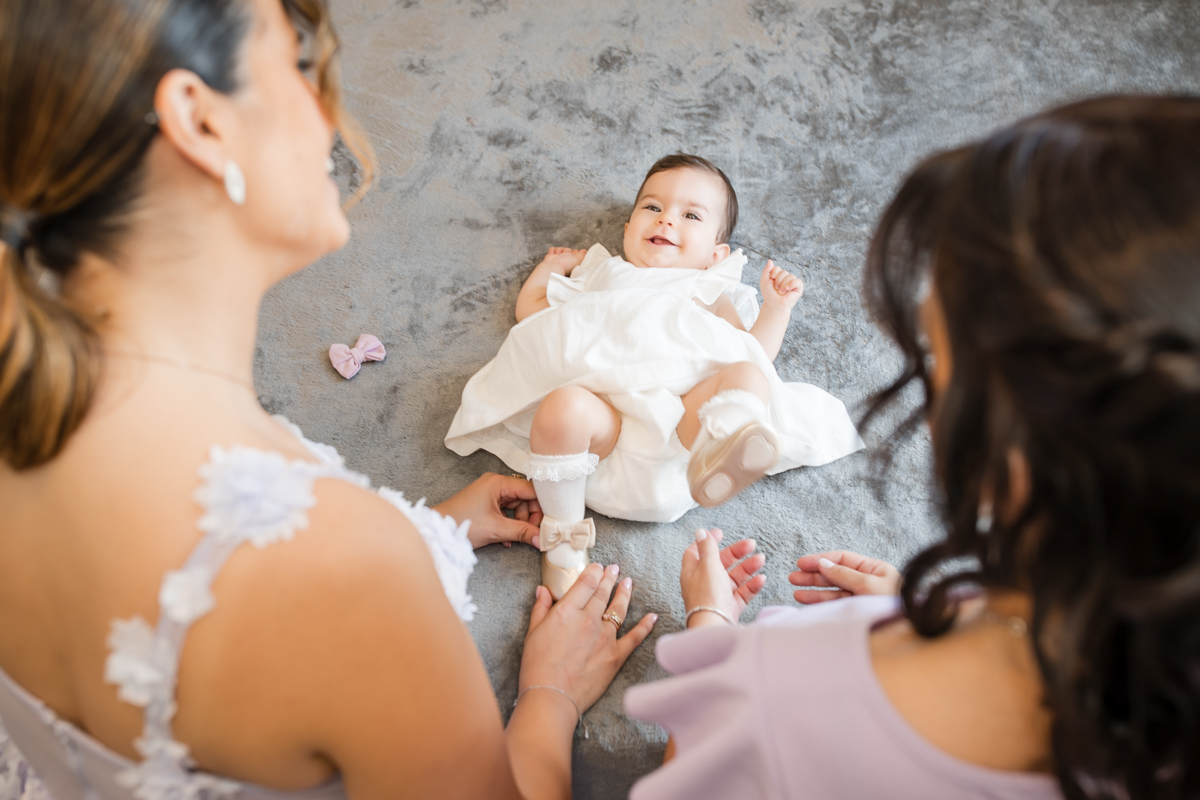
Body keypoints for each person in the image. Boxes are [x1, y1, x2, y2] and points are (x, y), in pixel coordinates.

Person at [0, 1, 656, 798]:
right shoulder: (356, 578)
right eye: (301, 66)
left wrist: (437, 531)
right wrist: (549, 696)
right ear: (199, 123)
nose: (334, 117)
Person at [625, 95, 1200, 799]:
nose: (925, 412)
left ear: (1019, 446)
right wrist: (938, 607)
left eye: (936, 362)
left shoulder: (772, 701)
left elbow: (696, 768)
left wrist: (690, 638)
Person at [445, 153, 863, 598]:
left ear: (715, 255)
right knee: (563, 405)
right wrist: (550, 272)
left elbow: (753, 351)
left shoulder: (710, 288)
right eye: (652, 207)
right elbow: (534, 318)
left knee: (746, 375)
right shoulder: (604, 273)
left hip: (682, 439)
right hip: (598, 442)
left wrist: (777, 309)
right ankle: (563, 537)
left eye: (690, 215)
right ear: (627, 230)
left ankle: (723, 447)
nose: (666, 221)